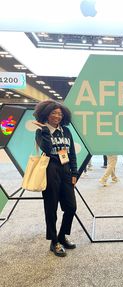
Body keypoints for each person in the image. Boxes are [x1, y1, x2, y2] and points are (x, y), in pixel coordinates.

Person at [33, 100, 77, 257]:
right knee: (51, 208)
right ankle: (54, 242)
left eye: (60, 113)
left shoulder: (66, 131)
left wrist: (74, 173)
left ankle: (62, 236)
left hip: (65, 171)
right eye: (54, 113)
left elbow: (71, 153)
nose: (57, 116)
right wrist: (45, 130)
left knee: (71, 207)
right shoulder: (41, 132)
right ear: (46, 114)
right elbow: (45, 148)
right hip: (50, 170)